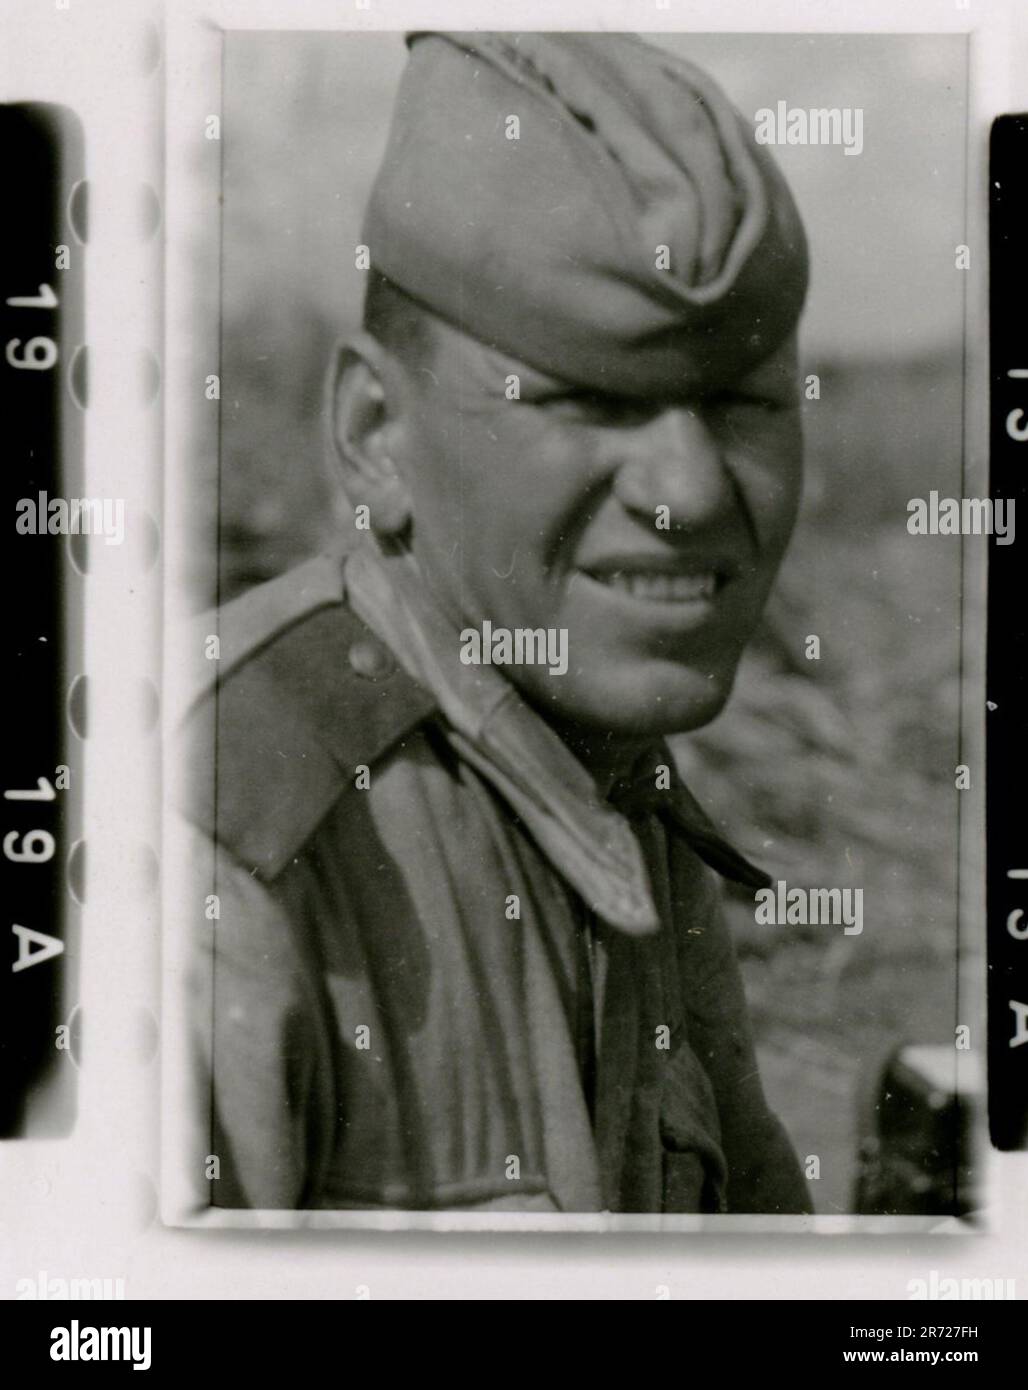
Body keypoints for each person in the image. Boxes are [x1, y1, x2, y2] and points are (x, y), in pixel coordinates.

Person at [178, 30, 813, 1214]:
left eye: (739, 402)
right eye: (586, 401)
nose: (687, 492)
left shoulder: (612, 789)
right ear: (376, 433)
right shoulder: (216, 848)